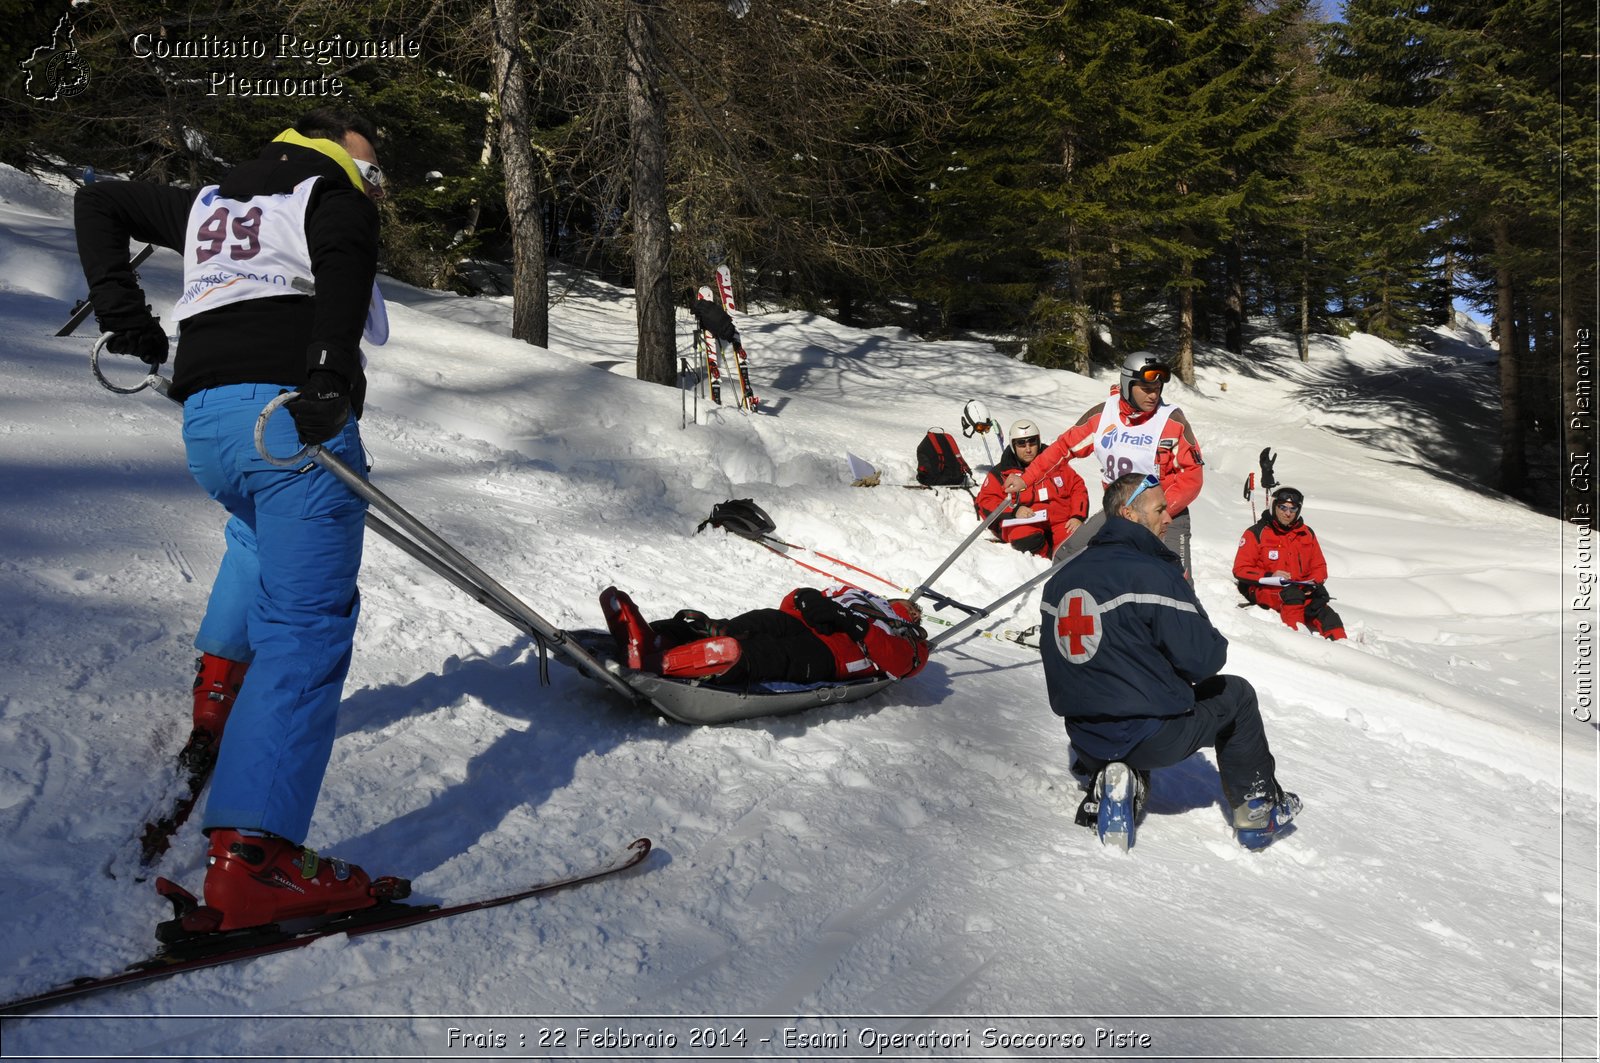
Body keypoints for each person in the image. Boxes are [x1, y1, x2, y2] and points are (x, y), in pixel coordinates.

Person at [74, 108, 407, 933]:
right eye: (372, 160)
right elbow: (341, 270)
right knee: (306, 625)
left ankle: (218, 697)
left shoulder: (216, 202)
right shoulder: (333, 196)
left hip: (212, 425)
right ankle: (255, 860)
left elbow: (100, 204)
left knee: (256, 536)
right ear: (337, 146)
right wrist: (330, 371)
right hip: (293, 418)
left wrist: (125, 314)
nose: (377, 177)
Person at [1039, 472, 1302, 850]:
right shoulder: (1153, 573)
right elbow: (1205, 658)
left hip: (1084, 736)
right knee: (1237, 695)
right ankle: (1258, 811)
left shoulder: (1061, 579)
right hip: (1151, 735)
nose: (1168, 518)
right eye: (1160, 509)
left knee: (1123, 681)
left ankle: (1114, 776)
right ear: (1129, 515)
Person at [1005, 351, 1205, 579]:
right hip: (1120, 510)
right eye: (1146, 388)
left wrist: (1166, 510)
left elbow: (1192, 475)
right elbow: (1062, 449)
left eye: (1158, 389)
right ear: (1128, 384)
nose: (1153, 395)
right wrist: (1026, 479)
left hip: (1165, 511)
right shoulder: (1103, 416)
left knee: (1173, 581)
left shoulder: (1171, 421)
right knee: (1068, 555)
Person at [599, 585, 929, 685]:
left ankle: (683, 662)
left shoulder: (912, 638)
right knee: (755, 622)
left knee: (773, 655)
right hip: (803, 625)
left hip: (835, 655)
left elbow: (901, 665)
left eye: (916, 614)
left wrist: (858, 626)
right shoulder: (860, 594)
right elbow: (792, 602)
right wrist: (807, 598)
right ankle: (657, 639)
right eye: (911, 606)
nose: (913, 611)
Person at [1233, 486, 1347, 640]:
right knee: (1293, 597)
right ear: (1274, 506)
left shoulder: (1306, 534)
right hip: (1265, 588)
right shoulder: (1256, 533)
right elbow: (1240, 569)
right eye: (1283, 507)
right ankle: (1297, 643)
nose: (1288, 513)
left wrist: (1314, 582)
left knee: (1327, 614)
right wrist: (1270, 575)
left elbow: (1319, 566)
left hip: (1301, 588)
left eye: (1293, 509)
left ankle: (1343, 649)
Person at [974, 418, 1087, 557]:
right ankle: (1044, 561)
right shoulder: (1002, 473)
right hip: (1025, 523)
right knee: (1024, 538)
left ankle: (1064, 562)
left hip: (1060, 521)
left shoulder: (1055, 464)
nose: (1028, 449)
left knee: (1075, 543)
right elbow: (986, 501)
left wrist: (1077, 516)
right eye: (1021, 444)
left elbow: (1077, 487)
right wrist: (1014, 510)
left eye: (1032, 442)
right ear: (1013, 445)